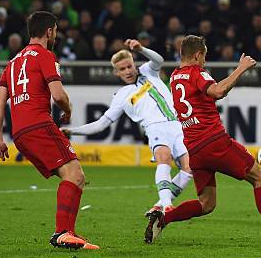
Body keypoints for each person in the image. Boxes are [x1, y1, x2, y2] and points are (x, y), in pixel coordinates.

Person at [145, 35, 261, 245]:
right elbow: (218, 91)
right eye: (204, 57)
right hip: (215, 142)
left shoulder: (175, 76)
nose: (204, 61)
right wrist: (241, 68)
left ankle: (164, 217)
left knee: (206, 204)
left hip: (194, 150)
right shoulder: (197, 72)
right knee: (258, 176)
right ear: (197, 55)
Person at [0, 11, 99, 250]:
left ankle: (66, 232)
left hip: (20, 134)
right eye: (55, 31)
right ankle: (62, 233)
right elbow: (58, 95)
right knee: (75, 174)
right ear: (49, 31)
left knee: (71, 177)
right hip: (38, 124)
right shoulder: (45, 55)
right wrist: (68, 110)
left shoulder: (11, 63)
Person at [61, 39, 192, 217]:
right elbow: (101, 124)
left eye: (129, 66)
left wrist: (141, 49)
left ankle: (159, 205)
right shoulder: (121, 96)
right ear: (116, 73)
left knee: (189, 168)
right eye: (122, 69)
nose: (128, 71)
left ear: (134, 65)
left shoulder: (148, 72)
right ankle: (168, 206)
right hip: (155, 128)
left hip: (177, 124)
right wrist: (71, 131)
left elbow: (159, 60)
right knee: (164, 158)